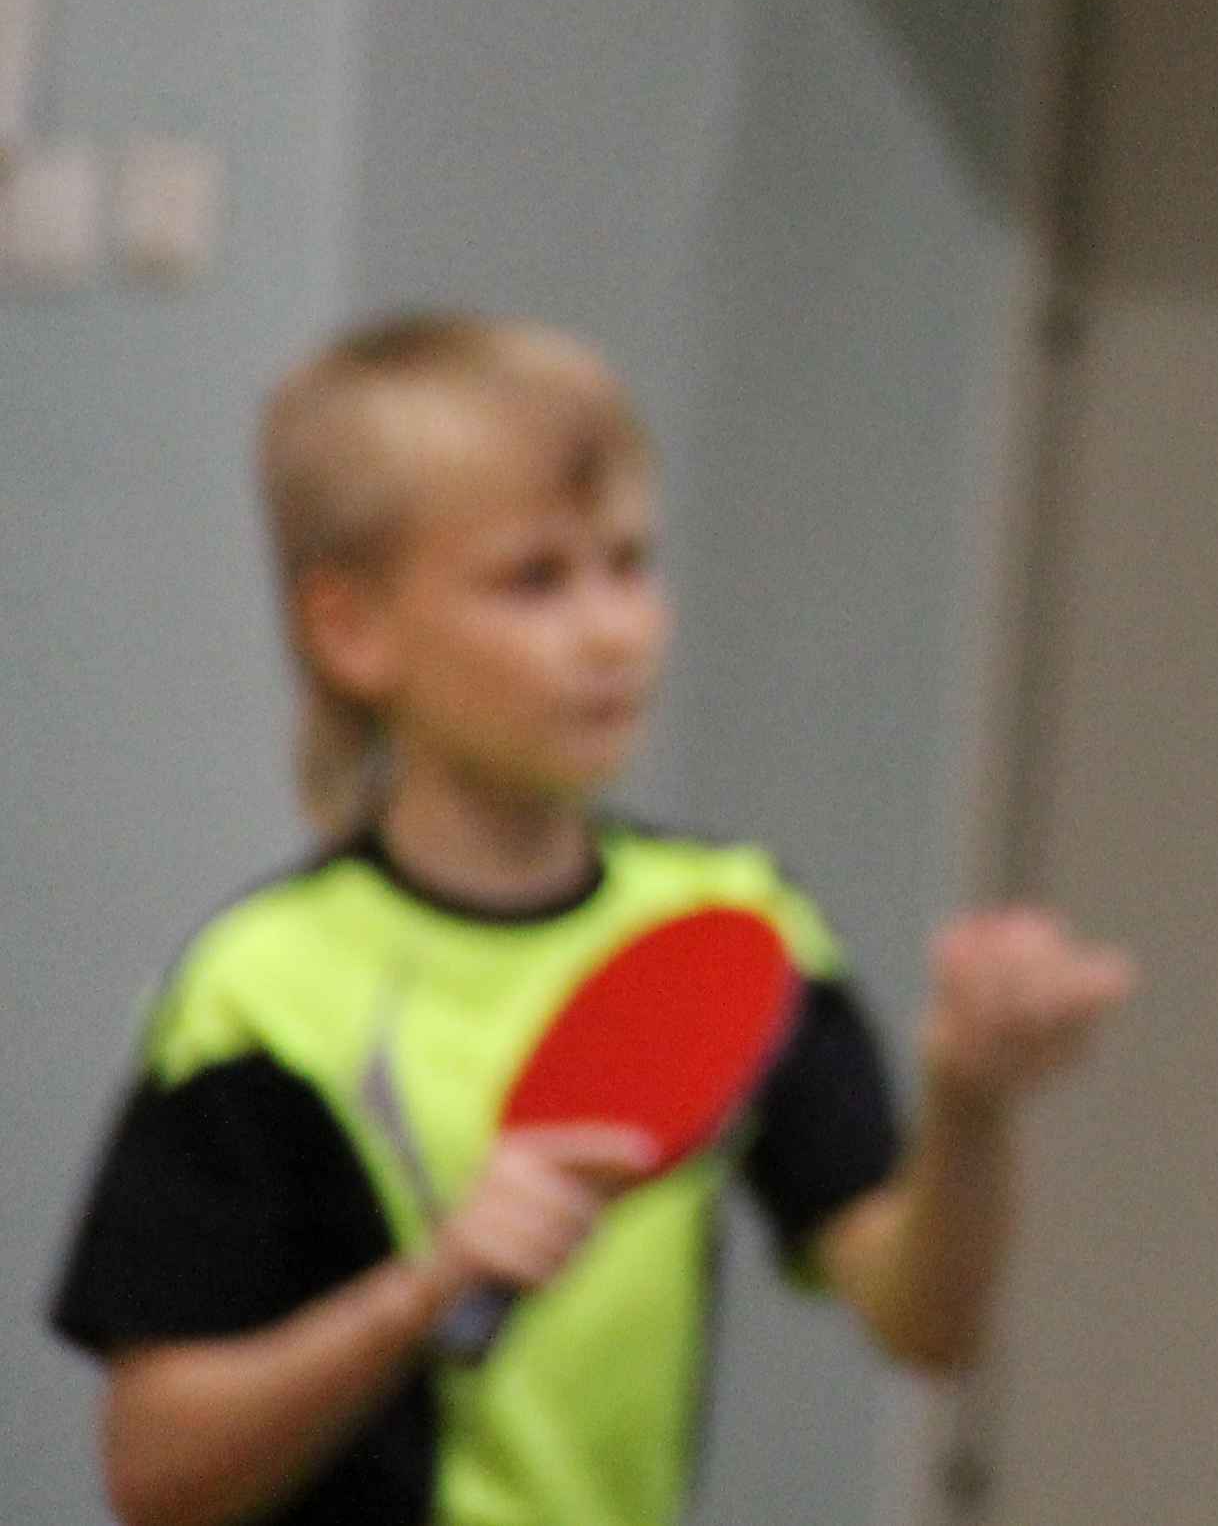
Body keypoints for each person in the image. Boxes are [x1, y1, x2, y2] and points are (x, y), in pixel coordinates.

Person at [47, 312, 1135, 1526]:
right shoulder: (263, 992)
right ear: (351, 629)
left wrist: (971, 1101)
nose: (615, 631)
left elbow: (925, 1324)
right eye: (536, 579)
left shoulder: (735, 926)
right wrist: (428, 1288)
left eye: (631, 563)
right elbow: (155, 1470)